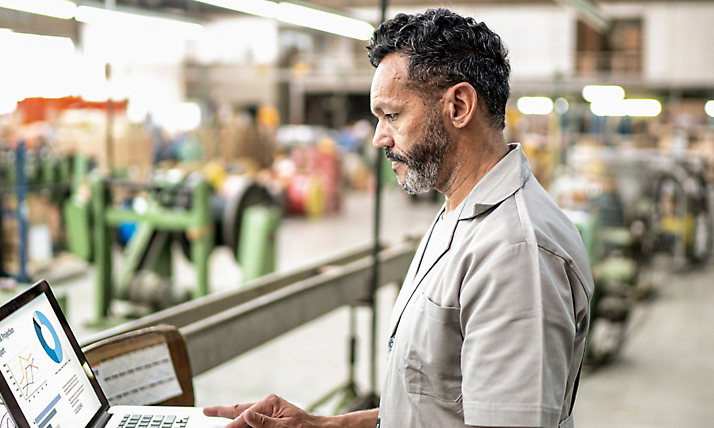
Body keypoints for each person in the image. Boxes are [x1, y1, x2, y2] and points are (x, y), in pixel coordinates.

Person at [204, 8, 594, 428]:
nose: (378, 138)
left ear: (459, 106)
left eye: (391, 115)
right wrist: (322, 426)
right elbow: (433, 407)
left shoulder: (516, 253)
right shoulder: (460, 212)